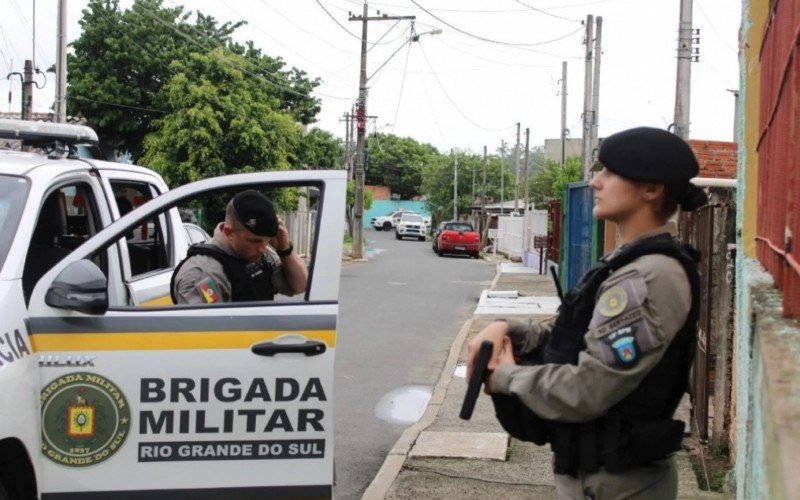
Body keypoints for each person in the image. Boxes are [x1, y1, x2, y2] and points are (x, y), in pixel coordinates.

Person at [467, 127, 708, 500]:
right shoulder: (625, 263)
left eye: (610, 172)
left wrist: (505, 378)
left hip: (618, 484)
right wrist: (507, 328)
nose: (596, 182)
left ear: (651, 189)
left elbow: (588, 388)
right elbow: (577, 337)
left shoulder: (649, 276)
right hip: (596, 477)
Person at [171, 190, 308, 304]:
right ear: (228, 232)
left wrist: (285, 250)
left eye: (266, 242)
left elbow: (300, 285)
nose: (262, 249)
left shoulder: (261, 256)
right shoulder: (201, 273)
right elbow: (204, 333)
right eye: (254, 241)